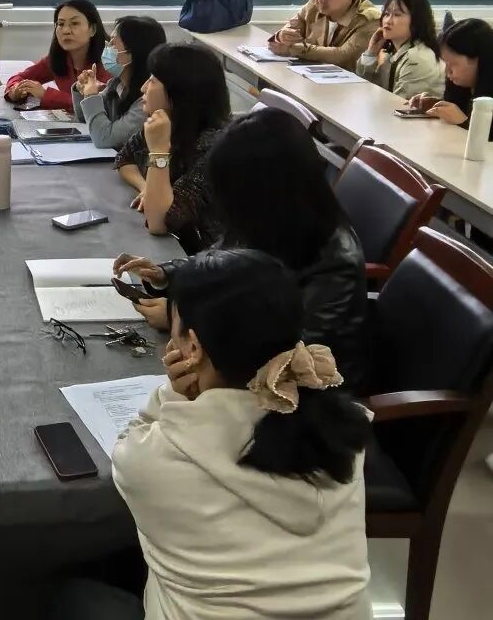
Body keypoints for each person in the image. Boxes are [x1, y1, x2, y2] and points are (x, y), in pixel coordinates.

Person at [108, 249, 373, 620]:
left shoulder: (156, 459)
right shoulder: (343, 430)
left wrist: (172, 394)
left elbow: (126, 447)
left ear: (193, 347)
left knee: (72, 592)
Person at [115, 108, 368, 391]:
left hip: (297, 394)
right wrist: (165, 274)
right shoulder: (271, 222)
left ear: (268, 192)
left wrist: (188, 321)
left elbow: (288, 355)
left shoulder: (334, 263)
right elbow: (223, 258)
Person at [114, 43, 230, 250]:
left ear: (179, 92)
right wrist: (146, 188)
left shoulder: (214, 149)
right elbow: (125, 159)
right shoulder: (169, 122)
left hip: (209, 256)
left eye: (153, 80)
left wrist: (158, 152)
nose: (143, 88)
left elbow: (159, 222)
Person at [72, 16, 166, 149]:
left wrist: (91, 96)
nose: (107, 48)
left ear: (132, 53)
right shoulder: (116, 85)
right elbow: (86, 119)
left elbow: (105, 139)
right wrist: (81, 89)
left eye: (113, 43)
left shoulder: (147, 100)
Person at [268, 0, 380, 71]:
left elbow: (344, 56)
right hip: (311, 77)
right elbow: (288, 31)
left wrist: (292, 49)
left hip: (348, 82)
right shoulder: (315, 4)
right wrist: (281, 36)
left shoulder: (369, 19)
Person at [4, 0, 110, 111]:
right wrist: (16, 91)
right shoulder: (58, 58)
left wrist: (46, 95)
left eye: (74, 23)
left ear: (92, 29)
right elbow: (18, 78)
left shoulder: (110, 61)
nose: (66, 30)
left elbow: (102, 104)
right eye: (60, 24)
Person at [409, 18, 493, 134]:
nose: (447, 71)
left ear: (479, 60)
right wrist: (436, 105)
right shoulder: (463, 87)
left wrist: (464, 122)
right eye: (445, 62)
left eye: (453, 64)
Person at [356, 0, 443, 100]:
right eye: (386, 14)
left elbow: (399, 103)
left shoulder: (417, 59)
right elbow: (367, 87)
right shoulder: (395, 53)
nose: (388, 21)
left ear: (417, 21)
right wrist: (371, 52)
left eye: (397, 15)